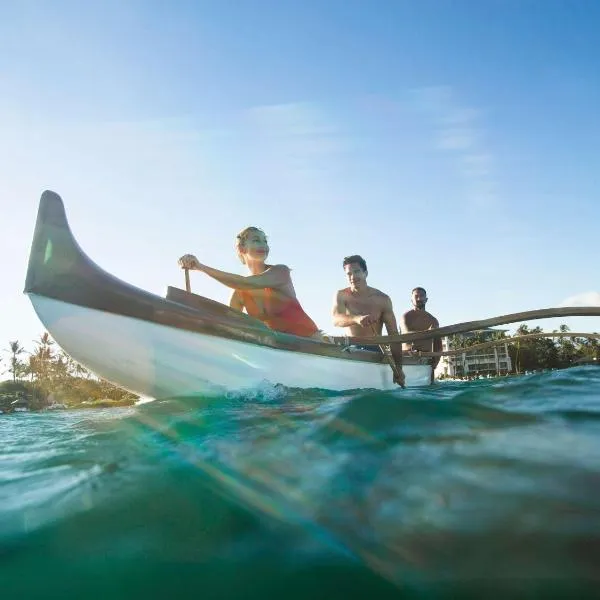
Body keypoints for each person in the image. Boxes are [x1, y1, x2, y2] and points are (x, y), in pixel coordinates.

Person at [178, 226, 322, 338]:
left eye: (265, 241)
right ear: (242, 249)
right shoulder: (240, 294)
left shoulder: (281, 272)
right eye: (256, 240)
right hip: (278, 350)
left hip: (311, 345)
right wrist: (191, 319)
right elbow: (230, 324)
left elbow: (245, 283)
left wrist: (200, 267)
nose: (263, 245)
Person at [332, 255, 404, 386]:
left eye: (357, 271)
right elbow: (336, 320)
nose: (353, 277)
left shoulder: (383, 299)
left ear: (365, 273)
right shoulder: (341, 295)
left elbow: (394, 335)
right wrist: (356, 319)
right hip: (350, 348)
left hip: (375, 349)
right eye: (349, 274)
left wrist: (398, 367)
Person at [400, 287, 442, 379]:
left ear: (426, 299)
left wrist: (436, 361)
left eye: (422, 296)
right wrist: (428, 333)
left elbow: (438, 345)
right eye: (416, 296)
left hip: (426, 360)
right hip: (407, 358)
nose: (419, 299)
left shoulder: (433, 320)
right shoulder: (406, 316)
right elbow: (406, 334)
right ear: (411, 300)